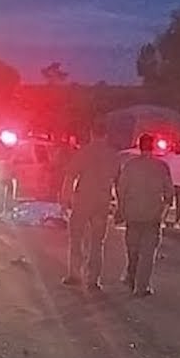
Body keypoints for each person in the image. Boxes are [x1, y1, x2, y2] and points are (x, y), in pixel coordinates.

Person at [59, 121, 122, 290]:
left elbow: (70, 176)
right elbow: (118, 182)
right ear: (106, 135)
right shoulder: (113, 155)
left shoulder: (84, 152)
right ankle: (93, 279)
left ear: (92, 133)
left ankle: (75, 274)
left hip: (83, 200)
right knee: (97, 241)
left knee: (76, 237)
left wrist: (65, 199)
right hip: (102, 202)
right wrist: (119, 205)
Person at [116, 133, 174, 297]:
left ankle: (131, 274)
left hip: (132, 213)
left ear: (139, 146)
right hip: (152, 214)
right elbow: (169, 191)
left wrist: (121, 209)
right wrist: (166, 206)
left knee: (132, 249)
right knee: (147, 253)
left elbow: (121, 189)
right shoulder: (161, 166)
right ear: (153, 146)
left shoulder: (130, 165)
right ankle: (141, 287)